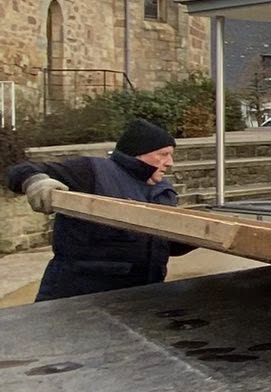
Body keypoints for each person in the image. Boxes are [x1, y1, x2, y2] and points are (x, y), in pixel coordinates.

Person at [6, 118, 196, 302]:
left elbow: (165, 246)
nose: (170, 162)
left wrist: (201, 235)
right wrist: (36, 181)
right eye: (163, 155)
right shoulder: (91, 171)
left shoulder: (163, 191)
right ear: (139, 153)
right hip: (76, 296)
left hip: (140, 298)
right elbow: (20, 169)